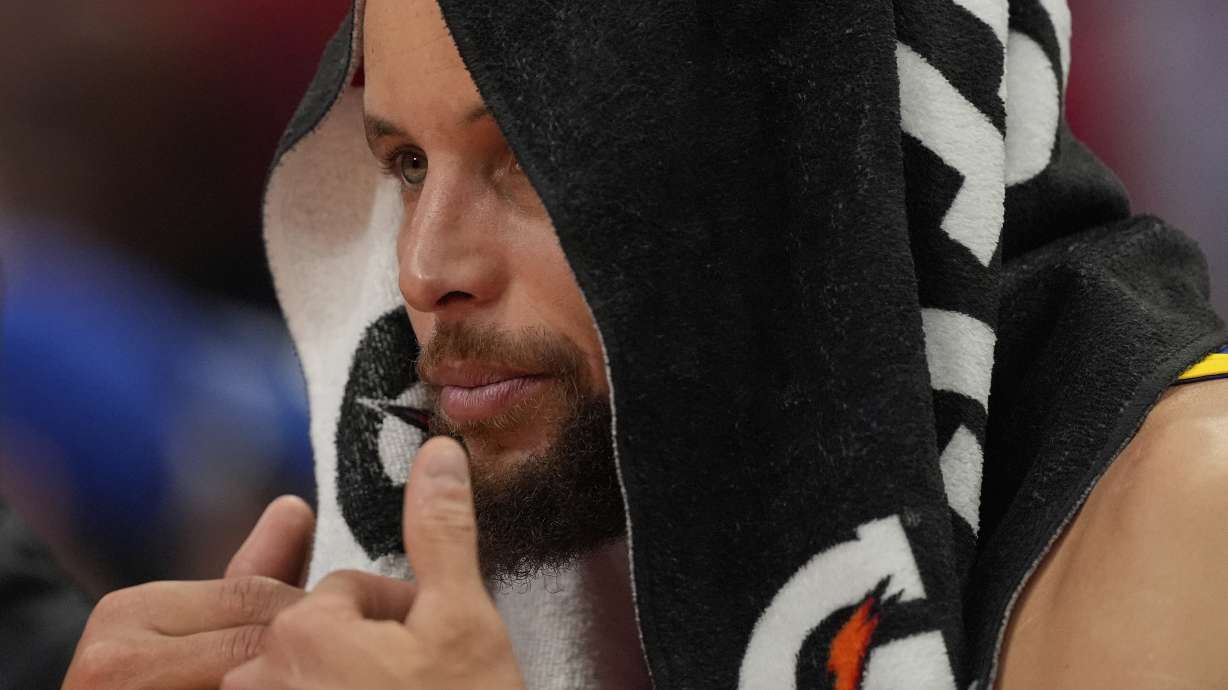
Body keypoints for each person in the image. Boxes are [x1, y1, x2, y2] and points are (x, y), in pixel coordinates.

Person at [64, 0, 1228, 688]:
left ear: (797, 162)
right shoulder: (634, 514)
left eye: (529, 159)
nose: (422, 269)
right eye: (403, 163)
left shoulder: (1198, 518)